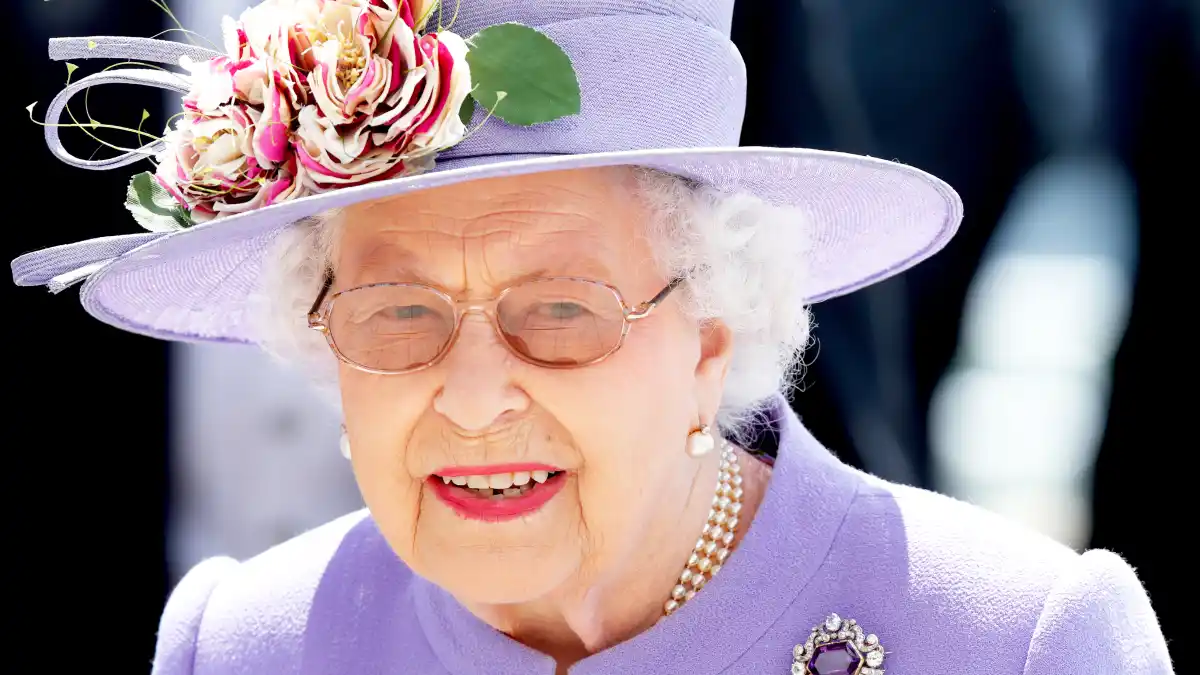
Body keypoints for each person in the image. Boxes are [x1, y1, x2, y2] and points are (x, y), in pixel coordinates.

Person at [12, 0, 1173, 673]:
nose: (470, 399)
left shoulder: (1020, 643)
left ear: (717, 331)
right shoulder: (242, 648)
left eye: (560, 312)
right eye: (398, 314)